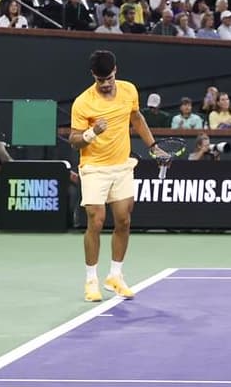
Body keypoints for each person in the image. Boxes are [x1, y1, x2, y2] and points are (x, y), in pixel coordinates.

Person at [69, 50, 164, 302]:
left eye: (109, 78)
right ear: (93, 76)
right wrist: (91, 133)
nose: (106, 83)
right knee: (96, 220)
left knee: (123, 220)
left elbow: (136, 118)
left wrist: (153, 146)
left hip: (122, 166)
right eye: (100, 80)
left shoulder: (129, 91)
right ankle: (91, 280)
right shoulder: (83, 102)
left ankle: (115, 276)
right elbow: (74, 140)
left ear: (116, 71)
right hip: (93, 168)